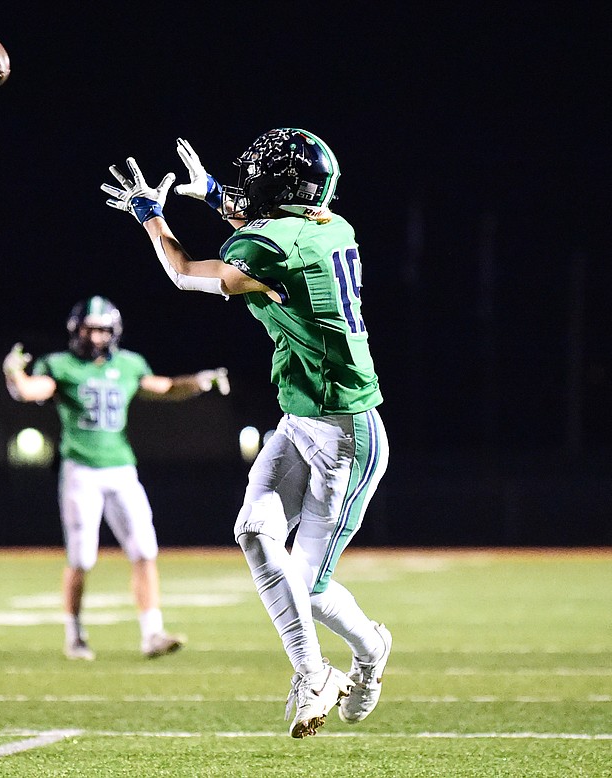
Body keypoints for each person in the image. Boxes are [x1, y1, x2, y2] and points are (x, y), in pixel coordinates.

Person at [101, 129, 390, 738]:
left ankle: (370, 652)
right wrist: (207, 191)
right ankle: (313, 672)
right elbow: (262, 215)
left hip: (346, 434)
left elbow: (184, 273)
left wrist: (151, 217)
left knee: (309, 590)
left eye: (263, 174)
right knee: (255, 530)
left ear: (287, 190)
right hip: (304, 416)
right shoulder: (327, 224)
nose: (248, 182)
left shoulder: (274, 245)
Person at [3, 295, 230, 661]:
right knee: (82, 559)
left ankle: (152, 633)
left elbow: (167, 387)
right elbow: (30, 391)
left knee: (145, 550)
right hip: (81, 470)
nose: (95, 337)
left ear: (114, 332)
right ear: (76, 331)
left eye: (102, 330)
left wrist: (199, 382)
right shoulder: (60, 365)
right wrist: (13, 373)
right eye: (89, 329)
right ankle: (74, 634)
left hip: (122, 468)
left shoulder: (128, 364)